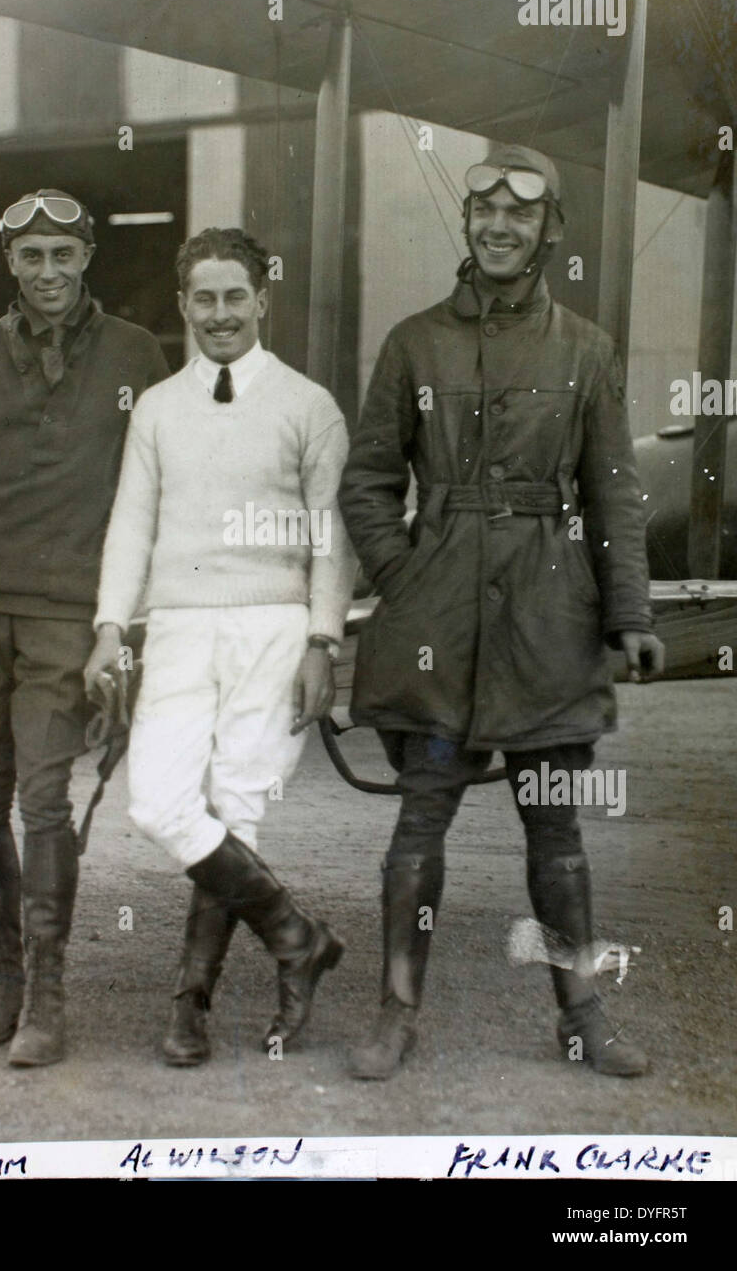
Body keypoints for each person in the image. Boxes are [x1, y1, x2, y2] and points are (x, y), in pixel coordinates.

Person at [338, 144, 664, 1081]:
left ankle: (582, 1015)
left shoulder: (586, 349)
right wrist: (406, 579)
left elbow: (615, 496)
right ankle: (396, 1014)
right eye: (485, 212)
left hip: (547, 622)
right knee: (417, 827)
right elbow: (368, 480)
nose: (499, 227)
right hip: (435, 628)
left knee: (556, 835)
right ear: (470, 224)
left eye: (520, 215)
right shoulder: (414, 343)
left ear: (548, 230)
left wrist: (628, 615)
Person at [0, 189, 169, 1066]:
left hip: (66, 614)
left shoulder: (137, 352)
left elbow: (158, 486)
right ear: (9, 264)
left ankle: (48, 993)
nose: (49, 272)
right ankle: (0, 978)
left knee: (45, 803)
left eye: (63, 254)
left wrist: (127, 621)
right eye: (32, 257)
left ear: (88, 257)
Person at [85, 226, 356, 1065]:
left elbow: (330, 539)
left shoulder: (309, 405)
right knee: (159, 801)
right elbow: (131, 525)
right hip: (177, 626)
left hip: (273, 626)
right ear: (181, 306)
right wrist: (107, 627)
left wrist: (322, 640)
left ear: (263, 299)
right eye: (203, 298)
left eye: (235, 295)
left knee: (237, 810)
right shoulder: (160, 409)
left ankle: (188, 1005)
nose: (220, 313)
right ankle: (295, 935)